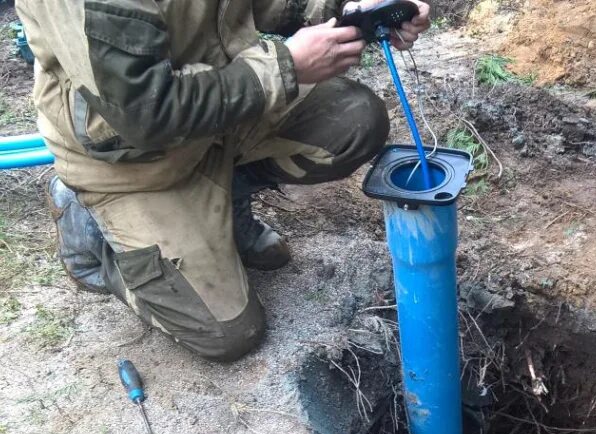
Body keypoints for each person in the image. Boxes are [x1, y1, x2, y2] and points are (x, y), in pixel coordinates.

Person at [16, 0, 431, 361]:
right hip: (133, 163)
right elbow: (145, 112)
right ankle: (93, 232)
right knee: (227, 334)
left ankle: (226, 197)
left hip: (221, 113)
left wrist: (359, 8)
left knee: (354, 121)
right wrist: (285, 67)